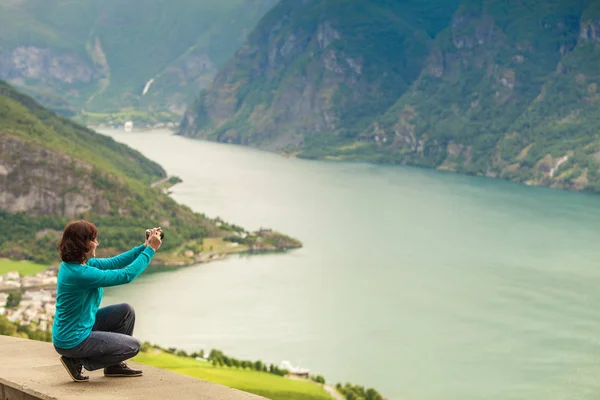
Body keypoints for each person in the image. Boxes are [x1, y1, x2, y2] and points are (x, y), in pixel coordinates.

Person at [52, 220, 162, 382]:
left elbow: (115, 262)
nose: (97, 243)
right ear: (83, 244)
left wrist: (144, 246)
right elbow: (125, 275)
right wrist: (151, 250)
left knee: (125, 311)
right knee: (132, 346)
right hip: (73, 340)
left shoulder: (77, 265)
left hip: (77, 328)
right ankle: (77, 360)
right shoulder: (80, 274)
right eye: (93, 239)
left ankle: (114, 366)